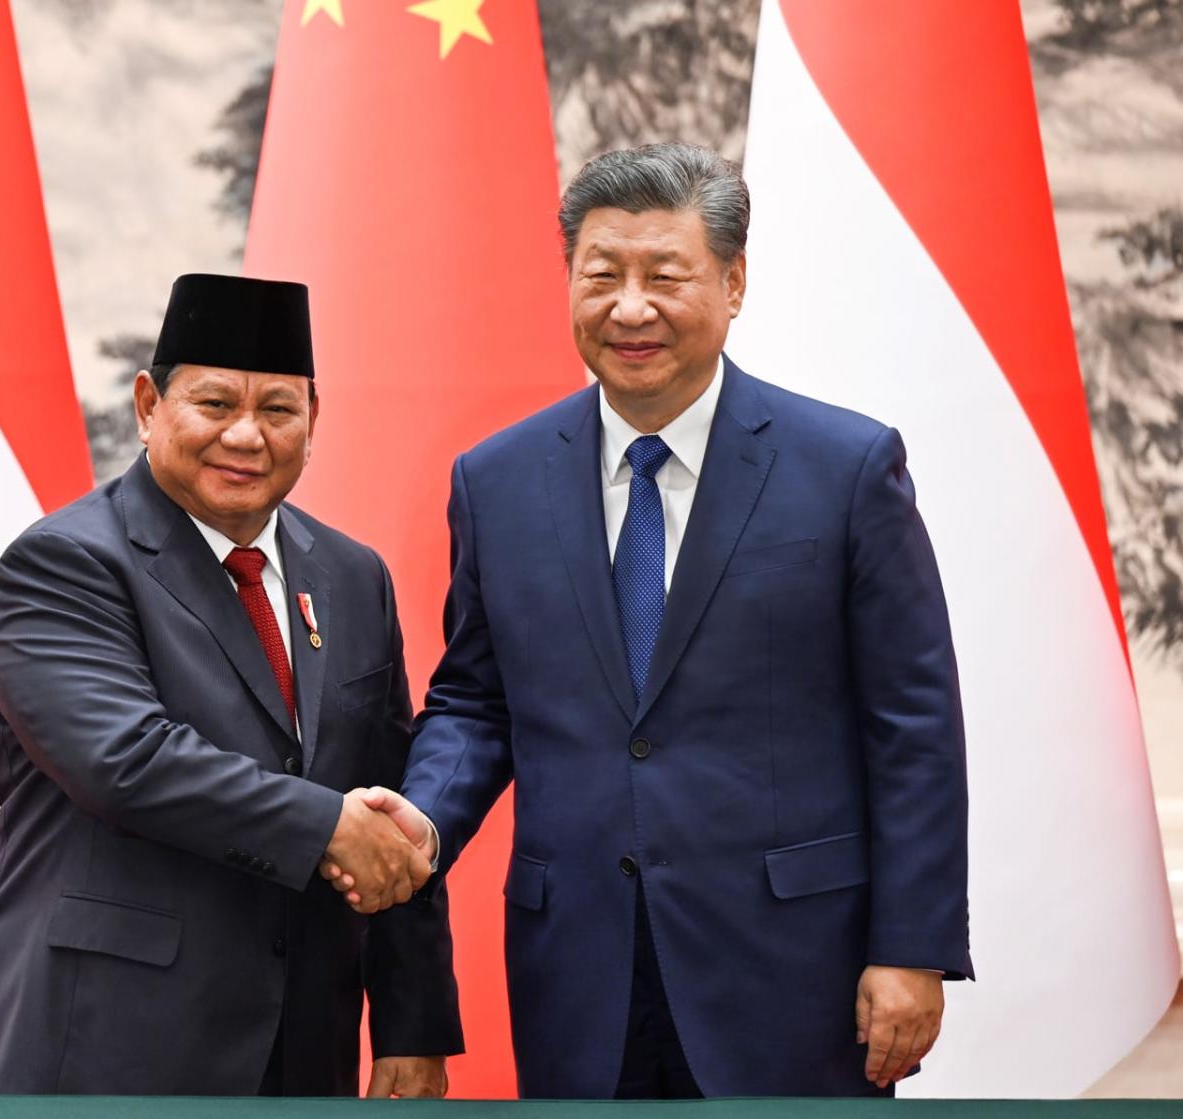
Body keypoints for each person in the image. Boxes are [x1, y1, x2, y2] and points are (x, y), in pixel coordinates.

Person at [325, 143, 971, 1098]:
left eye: (665, 276)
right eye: (603, 276)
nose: (631, 308)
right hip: (578, 970)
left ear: (734, 282)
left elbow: (912, 723)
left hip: (795, 970)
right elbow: (476, 701)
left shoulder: (847, 468)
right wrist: (420, 818)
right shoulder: (496, 481)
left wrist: (912, 945)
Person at [0, 273, 462, 1096]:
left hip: (302, 1052)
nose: (246, 435)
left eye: (278, 409)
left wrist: (412, 1024)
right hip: (103, 1047)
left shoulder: (354, 577)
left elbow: (394, 803)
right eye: (214, 404)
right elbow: (126, 760)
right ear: (148, 406)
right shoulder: (65, 562)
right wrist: (327, 826)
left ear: (314, 419)